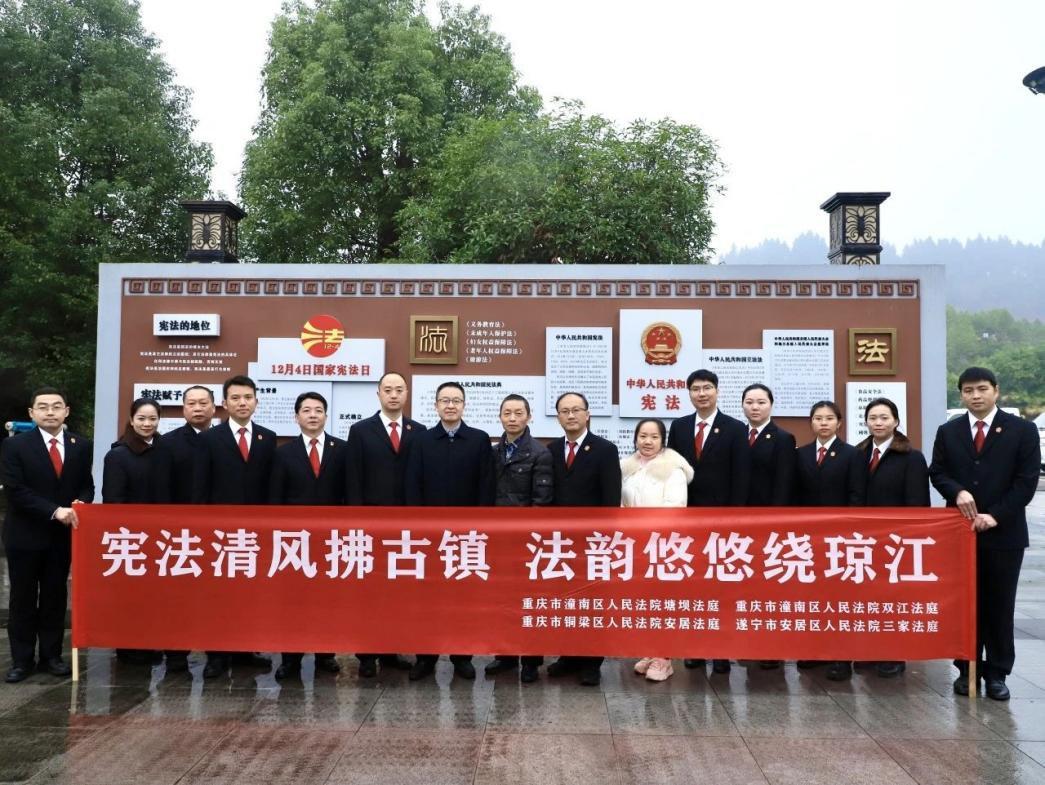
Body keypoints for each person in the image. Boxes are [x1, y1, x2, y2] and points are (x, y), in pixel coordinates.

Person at [930, 367, 1040, 701]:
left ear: (996, 390)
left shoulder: (1022, 430)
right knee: (965, 604)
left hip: (1004, 534)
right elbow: (938, 472)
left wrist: (996, 515)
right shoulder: (949, 431)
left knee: (999, 605)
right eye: (968, 390)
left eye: (981, 389)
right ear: (961, 395)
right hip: (960, 532)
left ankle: (997, 673)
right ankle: (967, 669)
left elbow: (1026, 481)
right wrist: (957, 491)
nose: (975, 396)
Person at [2, 387, 94, 683]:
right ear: (32, 413)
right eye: (43, 407)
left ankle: (51, 656)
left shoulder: (81, 445)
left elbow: (86, 484)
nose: (50, 412)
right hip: (25, 535)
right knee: (23, 598)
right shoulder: (14, 446)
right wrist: (54, 511)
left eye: (56, 406)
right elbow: (15, 490)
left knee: (55, 596)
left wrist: (82, 502)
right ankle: (22, 660)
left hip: (62, 537)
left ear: (66, 411)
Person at [405, 381, 495, 681]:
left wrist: (479, 528)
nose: (451, 405)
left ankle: (461, 656)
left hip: (466, 537)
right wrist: (418, 527)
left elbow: (486, 485)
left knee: (463, 599)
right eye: (445, 400)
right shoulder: (421, 440)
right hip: (429, 537)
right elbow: (413, 483)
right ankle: (425, 657)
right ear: (436, 406)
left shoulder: (479, 439)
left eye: (456, 400)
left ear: (464, 405)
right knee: (426, 600)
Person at [193, 375, 277, 679]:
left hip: (255, 534)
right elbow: (200, 486)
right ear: (225, 404)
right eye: (236, 398)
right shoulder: (209, 439)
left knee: (250, 593)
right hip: (219, 533)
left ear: (256, 401)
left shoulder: (267, 438)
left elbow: (271, 487)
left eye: (248, 397)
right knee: (219, 595)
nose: (243, 403)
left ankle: (245, 649)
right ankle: (216, 654)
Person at [667, 369, 750, 674]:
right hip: (687, 520)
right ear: (689, 393)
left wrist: (735, 518)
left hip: (721, 520)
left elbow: (741, 475)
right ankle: (695, 649)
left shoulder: (735, 428)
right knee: (692, 586)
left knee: (721, 587)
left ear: (717, 391)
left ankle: (721, 652)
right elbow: (672, 471)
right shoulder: (679, 427)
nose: (701, 394)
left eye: (707, 388)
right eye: (696, 389)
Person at [343, 372, 420, 677]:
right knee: (370, 592)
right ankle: (366, 655)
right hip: (370, 527)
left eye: (399, 390)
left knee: (399, 593)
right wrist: (357, 521)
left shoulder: (419, 431)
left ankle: (391, 650)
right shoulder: (361, 430)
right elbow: (353, 478)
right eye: (388, 390)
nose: (393, 395)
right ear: (378, 394)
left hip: (406, 529)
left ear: (406, 394)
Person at [269, 392, 346, 680]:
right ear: (296, 417)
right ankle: (291, 658)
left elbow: (349, 493)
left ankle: (326, 653)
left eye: (318, 410)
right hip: (293, 541)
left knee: (329, 598)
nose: (313, 415)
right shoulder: (283, 453)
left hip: (331, 539)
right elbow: (275, 498)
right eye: (306, 410)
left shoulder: (342, 449)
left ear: (326, 415)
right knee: (293, 600)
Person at [546, 391, 621, 687]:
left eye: (576, 409)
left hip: (593, 543)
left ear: (588, 414)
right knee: (565, 601)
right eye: (565, 411)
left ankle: (591, 662)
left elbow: (611, 498)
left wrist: (605, 540)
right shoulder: (551, 450)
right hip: (561, 544)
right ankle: (568, 655)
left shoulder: (605, 449)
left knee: (592, 602)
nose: (571, 415)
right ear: (558, 417)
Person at [856, 396, 930, 678]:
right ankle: (870, 651)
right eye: (873, 418)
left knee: (893, 599)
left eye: (884, 418)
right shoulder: (859, 453)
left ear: (896, 421)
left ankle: (894, 653)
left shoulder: (911, 457)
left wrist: (908, 537)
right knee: (869, 597)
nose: (878, 423)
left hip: (896, 541)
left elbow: (917, 503)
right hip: (865, 541)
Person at [795, 400, 866, 681]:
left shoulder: (852, 455)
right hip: (808, 539)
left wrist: (847, 531)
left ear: (839, 423)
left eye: (829, 418)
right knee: (813, 596)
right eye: (817, 418)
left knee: (839, 598)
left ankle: (841, 656)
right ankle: (815, 650)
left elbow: (857, 496)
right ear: (811, 423)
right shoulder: (800, 454)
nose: (823, 423)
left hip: (840, 539)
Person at [486, 393, 554, 684]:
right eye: (507, 413)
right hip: (497, 540)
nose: (512, 418)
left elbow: (542, 502)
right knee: (502, 600)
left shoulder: (540, 453)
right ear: (500, 416)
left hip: (526, 543)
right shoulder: (493, 452)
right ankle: (505, 654)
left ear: (528, 416)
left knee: (530, 600)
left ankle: (531, 660)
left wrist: (531, 540)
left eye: (518, 413)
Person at [102, 397, 172, 666]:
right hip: (131, 538)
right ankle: (128, 647)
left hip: (160, 537)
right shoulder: (118, 454)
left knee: (153, 596)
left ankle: (148, 642)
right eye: (141, 418)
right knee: (130, 596)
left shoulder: (165, 450)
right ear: (131, 420)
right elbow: (113, 500)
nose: (147, 424)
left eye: (152, 419)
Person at [622, 418, 693, 682]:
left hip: (663, 546)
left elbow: (675, 506)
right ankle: (650, 651)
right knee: (643, 603)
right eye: (643, 436)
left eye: (654, 437)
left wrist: (643, 527)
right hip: (634, 545)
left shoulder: (673, 468)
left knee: (664, 603)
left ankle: (665, 658)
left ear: (663, 440)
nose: (647, 441)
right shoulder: (627, 468)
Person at [159, 385, 215, 674]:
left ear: (214, 407)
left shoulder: (224, 439)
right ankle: (176, 654)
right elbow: (162, 489)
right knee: (179, 597)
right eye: (191, 403)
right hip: (180, 534)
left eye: (203, 403)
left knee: (219, 596)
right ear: (183, 409)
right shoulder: (168, 443)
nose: (198, 408)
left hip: (219, 535)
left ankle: (223, 652)